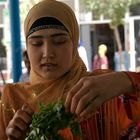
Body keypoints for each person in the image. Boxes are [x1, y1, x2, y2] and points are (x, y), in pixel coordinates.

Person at [0, 0, 140, 140]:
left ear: (74, 43)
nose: (48, 53)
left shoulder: (98, 89)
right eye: (37, 43)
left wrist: (125, 81)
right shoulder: (12, 100)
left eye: (59, 41)